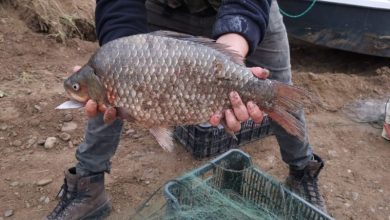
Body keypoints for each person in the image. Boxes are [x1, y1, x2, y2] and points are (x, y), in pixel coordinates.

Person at [45, 0, 327, 219]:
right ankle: (87, 185)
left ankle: (302, 170)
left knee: (271, 85)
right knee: (110, 93)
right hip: (158, 7)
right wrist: (122, 51)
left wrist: (232, 50)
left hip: (244, 8)